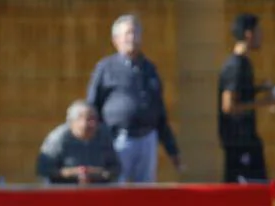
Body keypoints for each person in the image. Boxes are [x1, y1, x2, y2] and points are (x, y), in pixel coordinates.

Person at [86, 14, 181, 183]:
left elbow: (159, 111)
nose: (132, 38)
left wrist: (172, 149)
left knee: (145, 195)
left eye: (136, 33)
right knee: (116, 190)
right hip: (117, 139)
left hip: (147, 139)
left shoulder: (150, 68)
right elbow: (92, 105)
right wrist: (96, 142)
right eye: (128, 33)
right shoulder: (105, 68)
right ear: (116, 39)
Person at [218, 13, 275, 183]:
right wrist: (265, 102)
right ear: (249, 34)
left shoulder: (245, 64)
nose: (261, 35)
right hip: (238, 143)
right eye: (258, 30)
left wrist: (262, 89)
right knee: (248, 194)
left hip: (248, 140)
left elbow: (242, 94)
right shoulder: (235, 65)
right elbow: (228, 106)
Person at [36, 100, 120, 185]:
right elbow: (44, 169)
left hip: (98, 189)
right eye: (89, 119)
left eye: (95, 119)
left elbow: (116, 168)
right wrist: (74, 173)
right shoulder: (58, 138)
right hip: (65, 190)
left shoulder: (103, 136)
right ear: (73, 121)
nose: (93, 124)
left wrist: (95, 173)